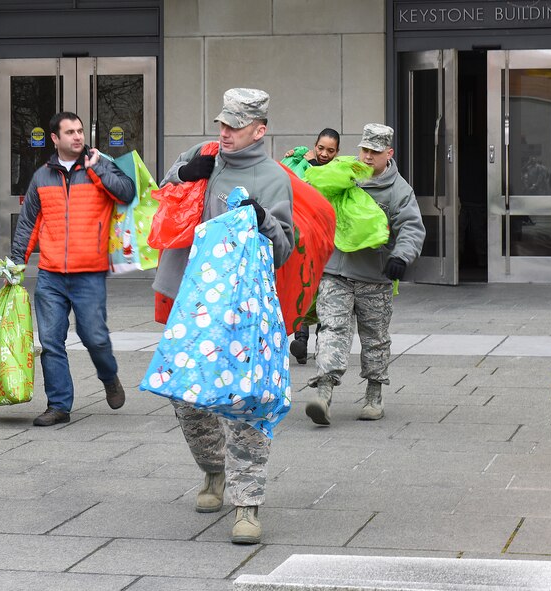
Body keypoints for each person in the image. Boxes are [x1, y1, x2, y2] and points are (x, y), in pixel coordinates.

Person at [154, 88, 294, 545]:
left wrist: (262, 220)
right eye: (222, 123)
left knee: (244, 406)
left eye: (235, 125)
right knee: (187, 400)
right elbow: (164, 193)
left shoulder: (273, 177)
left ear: (260, 129)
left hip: (242, 313)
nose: (225, 132)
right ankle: (213, 470)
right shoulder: (203, 156)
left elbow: (284, 248)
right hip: (190, 304)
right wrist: (183, 172)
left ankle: (247, 505)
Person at [10, 111, 135, 427]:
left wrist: (97, 172)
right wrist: (16, 264)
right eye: (69, 132)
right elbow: (28, 223)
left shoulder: (99, 165)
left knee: (94, 336)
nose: (77, 137)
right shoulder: (41, 176)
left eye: (80, 131)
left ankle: (109, 376)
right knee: (51, 341)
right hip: (51, 273)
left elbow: (127, 192)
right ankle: (59, 406)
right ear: (55, 138)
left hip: (89, 272)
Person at [306, 123, 425, 425]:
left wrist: (401, 256)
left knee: (374, 339)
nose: (368, 157)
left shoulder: (399, 191)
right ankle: (324, 390)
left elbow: (411, 227)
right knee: (331, 329)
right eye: (364, 150)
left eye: (375, 151)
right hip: (335, 272)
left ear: (389, 153)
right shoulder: (344, 176)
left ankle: (374, 394)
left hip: (375, 277)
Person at [283, 128, 341, 364]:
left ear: (338, 152)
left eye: (330, 150)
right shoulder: (303, 164)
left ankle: (320, 343)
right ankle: (301, 341)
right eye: (321, 148)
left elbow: (327, 184)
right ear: (314, 146)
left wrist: (313, 165)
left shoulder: (337, 171)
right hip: (305, 238)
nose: (325, 153)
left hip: (327, 240)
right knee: (304, 287)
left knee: (324, 293)